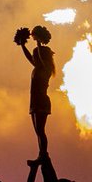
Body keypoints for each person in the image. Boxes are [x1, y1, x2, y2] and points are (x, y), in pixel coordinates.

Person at [16, 25, 55, 161]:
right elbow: (30, 58)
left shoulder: (46, 69)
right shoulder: (37, 68)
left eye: (36, 54)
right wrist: (22, 45)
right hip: (34, 101)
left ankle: (44, 154)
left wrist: (38, 43)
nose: (34, 57)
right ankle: (41, 153)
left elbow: (41, 59)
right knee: (37, 132)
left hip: (41, 101)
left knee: (40, 130)